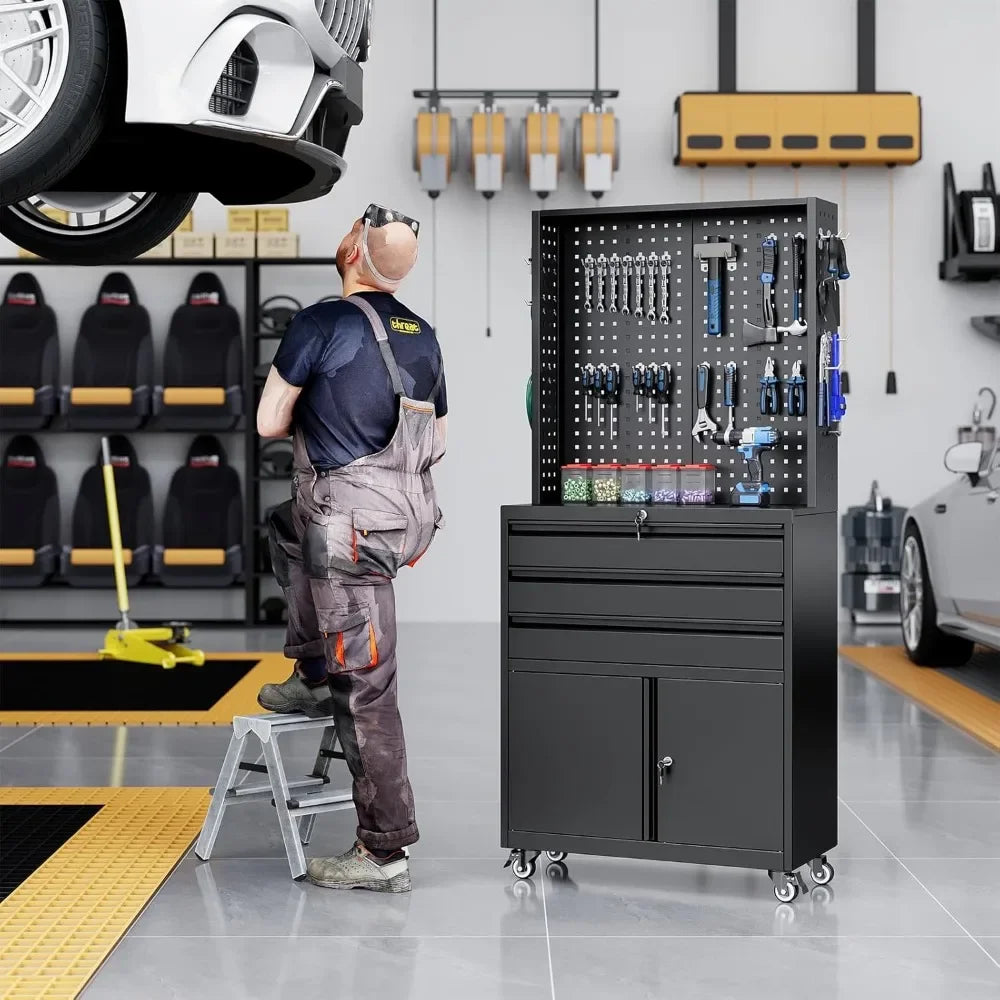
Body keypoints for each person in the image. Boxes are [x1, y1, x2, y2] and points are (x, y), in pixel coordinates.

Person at [255, 205, 447, 893]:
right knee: (284, 527)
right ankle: (310, 674)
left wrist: (326, 418)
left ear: (354, 253)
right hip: (400, 520)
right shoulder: (423, 335)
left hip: (350, 529)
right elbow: (439, 440)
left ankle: (383, 851)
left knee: (366, 685)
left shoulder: (321, 322)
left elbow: (269, 420)